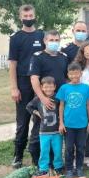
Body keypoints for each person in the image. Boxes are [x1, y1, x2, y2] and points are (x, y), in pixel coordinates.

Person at [8, 4, 45, 168]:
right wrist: (14, 88)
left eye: (31, 16)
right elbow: (13, 65)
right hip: (23, 84)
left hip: (40, 84)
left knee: (40, 121)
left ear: (35, 16)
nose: (28, 19)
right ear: (20, 17)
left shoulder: (42, 35)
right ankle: (18, 155)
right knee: (22, 123)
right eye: (26, 16)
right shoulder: (16, 37)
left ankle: (37, 156)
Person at [28, 30, 68, 165]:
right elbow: (34, 79)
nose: (54, 43)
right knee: (38, 134)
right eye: (51, 40)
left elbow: (66, 78)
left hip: (60, 103)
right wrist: (42, 98)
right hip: (43, 102)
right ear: (44, 41)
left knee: (57, 134)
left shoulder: (63, 56)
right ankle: (37, 164)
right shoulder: (38, 57)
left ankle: (56, 164)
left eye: (57, 40)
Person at [57, 62, 89, 178]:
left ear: (81, 73)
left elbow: (88, 105)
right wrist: (61, 123)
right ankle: (68, 169)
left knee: (81, 147)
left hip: (82, 124)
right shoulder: (64, 88)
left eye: (76, 74)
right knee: (68, 148)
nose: (74, 76)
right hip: (68, 125)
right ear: (68, 74)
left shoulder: (86, 88)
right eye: (71, 74)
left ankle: (79, 168)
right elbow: (61, 106)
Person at [26, 76, 63, 176]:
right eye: (46, 87)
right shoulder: (38, 99)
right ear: (41, 87)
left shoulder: (58, 98)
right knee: (44, 151)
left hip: (56, 131)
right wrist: (36, 113)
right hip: (44, 132)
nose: (48, 89)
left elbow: (63, 107)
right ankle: (43, 168)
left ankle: (58, 167)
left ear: (55, 87)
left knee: (57, 150)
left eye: (50, 87)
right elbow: (28, 106)